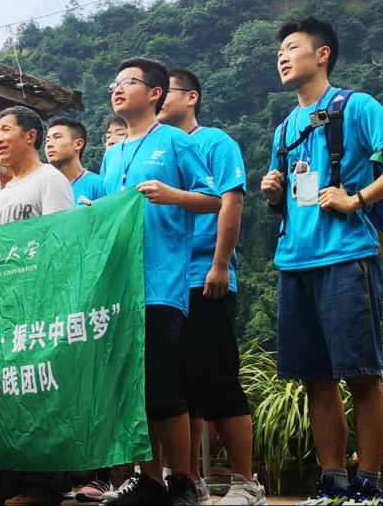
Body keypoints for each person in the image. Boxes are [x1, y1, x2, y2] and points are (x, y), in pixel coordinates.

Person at [261, 17, 383, 506]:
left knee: (361, 374)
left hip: (347, 257)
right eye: (279, 51)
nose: (283, 56)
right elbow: (293, 196)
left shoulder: (357, 106)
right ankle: (332, 484)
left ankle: (369, 484)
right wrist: (273, 194)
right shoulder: (284, 128)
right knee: (315, 378)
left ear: (323, 54)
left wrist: (358, 198)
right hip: (295, 261)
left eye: (293, 47)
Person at [98, 58, 220, 506]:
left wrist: (172, 195)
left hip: (162, 284)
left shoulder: (175, 141)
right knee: (134, 388)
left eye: (128, 82)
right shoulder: (111, 155)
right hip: (120, 288)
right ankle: (148, 480)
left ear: (154, 93)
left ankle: (183, 481)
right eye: (114, 83)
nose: (117, 89)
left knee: (165, 384)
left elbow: (212, 199)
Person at [158, 68, 265, 505]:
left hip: (206, 277)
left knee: (218, 379)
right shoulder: (156, 148)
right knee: (180, 389)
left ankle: (246, 482)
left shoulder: (215, 142)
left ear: (191, 98)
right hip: (167, 284)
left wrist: (220, 265)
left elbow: (231, 201)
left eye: (168, 91)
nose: (161, 98)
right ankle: (191, 483)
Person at [0, 106, 75, 506]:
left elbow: (63, 240)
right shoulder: (8, 192)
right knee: (10, 394)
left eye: (5, 130)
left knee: (40, 392)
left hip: (40, 305)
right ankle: (11, 482)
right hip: (7, 308)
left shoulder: (50, 179)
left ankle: (45, 486)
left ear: (30, 136)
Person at [44, 116, 107, 206]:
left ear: (78, 144)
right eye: (47, 140)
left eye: (57, 137)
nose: (49, 144)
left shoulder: (97, 185)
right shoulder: (44, 188)